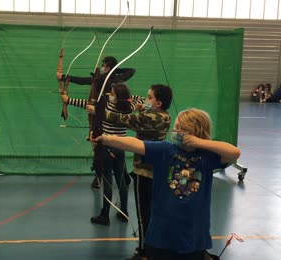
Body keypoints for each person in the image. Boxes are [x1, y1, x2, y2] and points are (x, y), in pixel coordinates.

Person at [91, 108, 241, 260]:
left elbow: (234, 152)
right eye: (175, 128)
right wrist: (105, 138)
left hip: (194, 238)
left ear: (195, 132)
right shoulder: (165, 150)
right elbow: (135, 144)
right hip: (160, 238)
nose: (175, 131)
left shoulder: (207, 157)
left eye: (181, 128)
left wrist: (200, 142)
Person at [104, 84, 173, 259]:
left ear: (158, 103)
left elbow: (121, 119)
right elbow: (141, 117)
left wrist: (98, 111)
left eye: (149, 97)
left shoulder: (148, 117)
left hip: (144, 172)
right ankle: (154, 248)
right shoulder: (164, 116)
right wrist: (142, 108)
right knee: (153, 212)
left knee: (144, 214)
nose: (146, 99)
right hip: (158, 170)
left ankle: (144, 253)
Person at [62, 83, 141, 226]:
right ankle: (124, 212)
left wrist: (68, 100)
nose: (109, 94)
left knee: (107, 181)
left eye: (112, 93)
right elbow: (140, 99)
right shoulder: (129, 108)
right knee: (121, 180)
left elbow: (86, 104)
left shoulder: (106, 107)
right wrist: (127, 98)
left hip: (107, 147)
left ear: (116, 97)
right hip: (121, 147)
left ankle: (105, 215)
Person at [57, 56, 136, 190]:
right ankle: (123, 178)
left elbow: (83, 82)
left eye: (104, 65)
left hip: (102, 116)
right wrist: (115, 70)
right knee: (118, 151)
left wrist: (64, 77)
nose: (102, 68)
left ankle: (99, 178)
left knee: (100, 149)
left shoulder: (102, 79)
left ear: (109, 67)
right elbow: (131, 70)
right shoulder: (118, 79)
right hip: (114, 119)